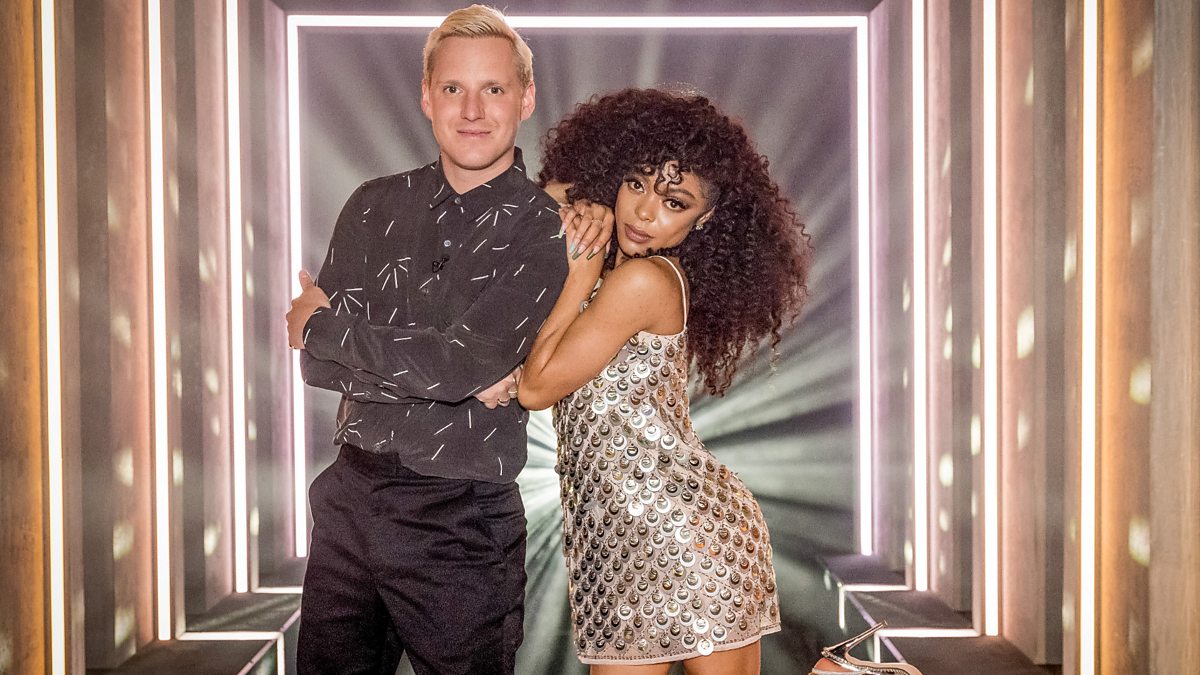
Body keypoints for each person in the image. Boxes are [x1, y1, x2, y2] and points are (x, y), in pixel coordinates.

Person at [284, 6, 604, 673]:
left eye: (494, 88)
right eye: (454, 88)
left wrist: (323, 326)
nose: (472, 110)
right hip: (348, 499)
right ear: (427, 96)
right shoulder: (372, 205)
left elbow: (453, 365)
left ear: (525, 98)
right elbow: (318, 367)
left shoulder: (548, 229)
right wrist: (447, 374)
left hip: (459, 519)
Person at [517, 88, 813, 675]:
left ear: (705, 219)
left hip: (680, 529)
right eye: (635, 183)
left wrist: (578, 276)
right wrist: (587, 204)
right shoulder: (622, 268)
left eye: (674, 202)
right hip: (611, 539)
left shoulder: (643, 282)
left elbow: (535, 387)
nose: (644, 212)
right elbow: (537, 198)